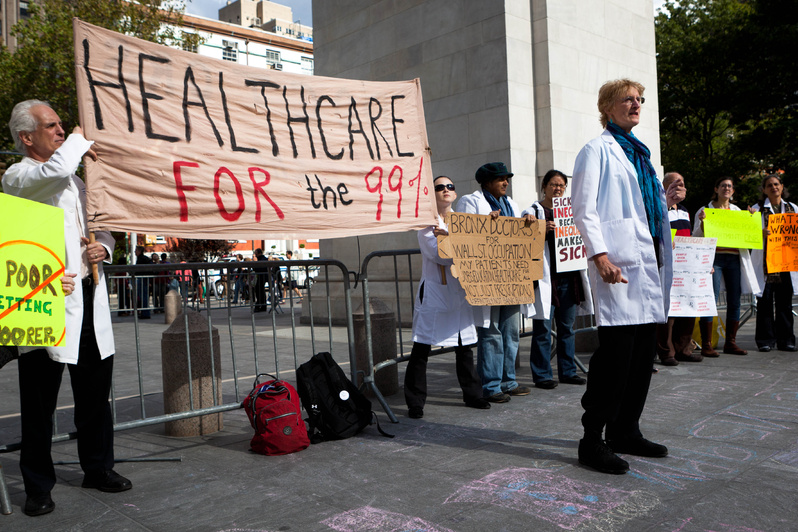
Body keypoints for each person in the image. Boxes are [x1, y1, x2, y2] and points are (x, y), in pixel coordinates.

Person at [3, 99, 132, 516]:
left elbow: (103, 224)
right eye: (51, 126)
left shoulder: (77, 179)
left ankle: (98, 467)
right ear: (27, 137)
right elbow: (52, 171)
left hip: (89, 298)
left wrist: (104, 248)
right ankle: (38, 486)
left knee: (95, 394)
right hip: (44, 302)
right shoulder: (20, 176)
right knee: (39, 403)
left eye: (63, 126)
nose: (60, 131)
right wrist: (79, 139)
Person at [571, 79, 685, 475]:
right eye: (628, 99)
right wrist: (599, 255)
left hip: (647, 264)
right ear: (607, 106)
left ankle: (626, 430)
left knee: (641, 357)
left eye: (640, 100)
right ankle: (592, 440)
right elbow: (582, 209)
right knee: (615, 359)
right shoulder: (596, 150)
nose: (636, 105)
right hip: (617, 266)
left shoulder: (642, 155)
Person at [404, 176, 490, 418]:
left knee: (464, 347)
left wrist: (489, 226)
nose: (445, 190)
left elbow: (481, 244)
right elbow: (440, 255)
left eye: (450, 186)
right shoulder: (426, 224)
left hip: (459, 291)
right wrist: (454, 242)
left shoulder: (464, 221)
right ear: (432, 193)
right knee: (421, 347)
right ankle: (415, 401)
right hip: (435, 291)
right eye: (440, 187)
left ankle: (473, 394)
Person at [456, 162, 535, 403]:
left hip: (511, 276)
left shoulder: (510, 204)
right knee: (491, 333)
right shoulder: (471, 201)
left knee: (511, 331)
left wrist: (527, 219)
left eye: (507, 179)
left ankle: (508, 380)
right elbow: (465, 232)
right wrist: (484, 221)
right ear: (487, 182)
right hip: (488, 277)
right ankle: (490, 385)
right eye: (501, 179)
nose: (505, 183)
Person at [522, 170, 593, 389]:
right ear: (544, 186)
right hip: (546, 279)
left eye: (561, 185)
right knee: (542, 329)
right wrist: (539, 227)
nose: (558, 189)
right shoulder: (533, 211)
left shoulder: (571, 212)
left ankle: (568, 371)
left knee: (566, 328)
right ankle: (542, 375)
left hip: (569, 280)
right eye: (553, 184)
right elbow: (522, 235)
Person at [693, 177, 759, 356]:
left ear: (733, 191)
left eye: (729, 186)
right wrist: (701, 223)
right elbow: (696, 236)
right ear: (716, 188)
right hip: (714, 259)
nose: (726, 188)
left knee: (734, 300)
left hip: (733, 259)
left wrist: (751, 220)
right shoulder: (705, 210)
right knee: (710, 299)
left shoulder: (738, 211)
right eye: (723, 185)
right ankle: (706, 344)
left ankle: (731, 342)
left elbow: (747, 234)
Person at [655, 172, 703, 365]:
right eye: (676, 183)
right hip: (667, 264)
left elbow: (690, 236)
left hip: (686, 266)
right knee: (670, 311)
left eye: (682, 183)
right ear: (665, 186)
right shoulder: (659, 207)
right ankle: (667, 352)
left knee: (687, 307)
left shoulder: (684, 210)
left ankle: (684, 348)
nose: (680, 186)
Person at [750, 174, 798, 352]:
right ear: (764, 190)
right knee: (765, 302)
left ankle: (786, 340)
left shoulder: (793, 208)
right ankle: (765, 340)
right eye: (769, 185)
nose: (773, 187)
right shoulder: (756, 210)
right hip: (766, 263)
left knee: (784, 302)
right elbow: (747, 235)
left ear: (782, 186)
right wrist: (759, 232)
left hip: (786, 262)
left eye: (776, 184)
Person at [134, 246, 152, 319]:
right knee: (144, 296)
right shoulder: (145, 259)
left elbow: (138, 270)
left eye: (136, 250)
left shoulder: (141, 259)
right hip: (144, 278)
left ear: (139, 251)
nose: (135, 252)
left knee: (143, 296)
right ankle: (145, 312)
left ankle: (145, 313)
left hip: (142, 278)